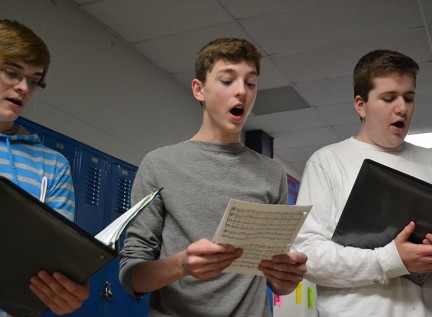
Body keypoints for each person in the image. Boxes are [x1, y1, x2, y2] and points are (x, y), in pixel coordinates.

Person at [119, 38, 308, 316]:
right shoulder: (159, 164)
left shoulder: (272, 173)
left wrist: (286, 278)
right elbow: (132, 277)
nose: (242, 91)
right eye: (227, 80)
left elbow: (276, 281)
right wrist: (182, 264)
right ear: (199, 90)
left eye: (251, 82)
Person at [292, 49, 432, 316]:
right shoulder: (327, 162)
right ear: (360, 105)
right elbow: (309, 257)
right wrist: (391, 260)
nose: (402, 108)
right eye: (389, 98)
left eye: (409, 98)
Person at [0, 19, 89, 316]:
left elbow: (55, 261)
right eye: (11, 72)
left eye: (35, 80)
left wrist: (67, 287)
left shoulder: (52, 165)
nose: (23, 87)